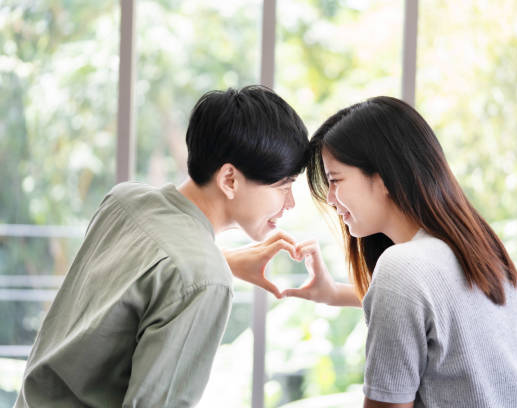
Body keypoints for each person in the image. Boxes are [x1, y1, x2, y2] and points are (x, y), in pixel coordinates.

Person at [15, 85, 307, 407]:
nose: (290, 203)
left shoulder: (124, 200)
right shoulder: (204, 277)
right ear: (229, 180)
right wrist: (213, 269)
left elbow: (151, 268)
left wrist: (222, 260)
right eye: (284, 186)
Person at [281, 96, 517, 407]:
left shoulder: (402, 266)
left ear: (383, 177)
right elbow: (435, 306)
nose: (330, 198)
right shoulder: (477, 246)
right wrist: (332, 294)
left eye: (335, 180)